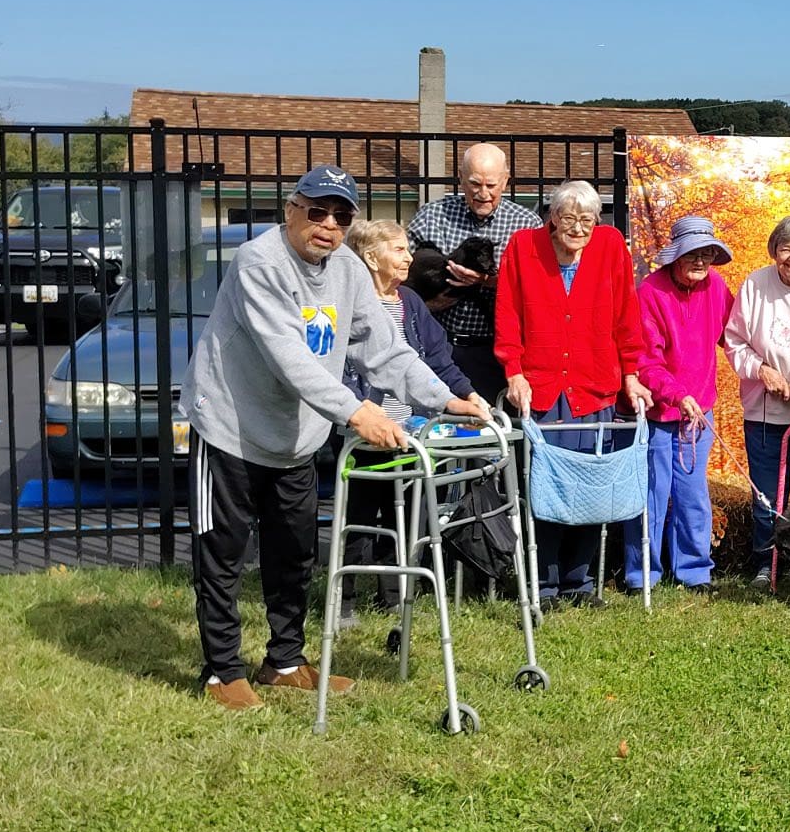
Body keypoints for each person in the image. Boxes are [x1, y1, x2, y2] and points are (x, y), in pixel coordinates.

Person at [180, 166, 488, 710]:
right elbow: (289, 359)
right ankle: (221, 671)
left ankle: (285, 660)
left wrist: (447, 399)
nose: (327, 225)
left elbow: (386, 350)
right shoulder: (259, 262)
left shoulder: (346, 270)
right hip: (230, 424)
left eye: (341, 216)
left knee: (295, 553)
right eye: (317, 211)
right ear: (290, 210)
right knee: (223, 553)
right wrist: (357, 412)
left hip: (295, 435)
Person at [496, 180, 648, 600]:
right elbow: (507, 312)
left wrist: (631, 372)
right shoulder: (522, 247)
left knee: (590, 485)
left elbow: (626, 314)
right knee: (547, 485)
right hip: (542, 385)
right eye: (568, 219)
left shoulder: (611, 244)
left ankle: (579, 582)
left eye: (586, 220)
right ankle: (543, 582)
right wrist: (514, 370)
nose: (578, 229)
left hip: (595, 383)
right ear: (552, 218)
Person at [336, 217, 476, 620]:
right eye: (398, 249)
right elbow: (341, 366)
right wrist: (363, 410)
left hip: (412, 431)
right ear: (370, 256)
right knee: (359, 519)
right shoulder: (350, 304)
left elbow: (437, 360)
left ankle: (396, 596)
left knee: (407, 514)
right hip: (364, 433)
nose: (409, 258)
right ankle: (343, 600)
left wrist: (465, 395)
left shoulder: (410, 303)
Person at [724, 216, 790, 587]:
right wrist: (760, 370)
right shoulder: (755, 284)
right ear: (775, 251)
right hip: (764, 411)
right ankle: (764, 562)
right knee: (766, 494)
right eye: (785, 248)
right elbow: (734, 340)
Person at [630, 216, 736, 593]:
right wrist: (677, 395)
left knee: (693, 496)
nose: (702, 261)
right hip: (659, 413)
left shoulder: (718, 287)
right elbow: (646, 361)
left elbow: (735, 337)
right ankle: (641, 573)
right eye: (694, 253)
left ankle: (694, 572)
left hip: (698, 415)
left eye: (708, 253)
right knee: (652, 495)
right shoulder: (651, 292)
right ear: (677, 255)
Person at [407, 142, 543, 402]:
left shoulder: (527, 225)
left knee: (496, 431)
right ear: (460, 179)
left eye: (491, 185)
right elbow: (397, 280)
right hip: (438, 345)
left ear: (505, 181)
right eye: (474, 184)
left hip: (496, 351)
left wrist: (488, 282)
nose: (483, 193)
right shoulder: (430, 217)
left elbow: (537, 290)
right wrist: (429, 304)